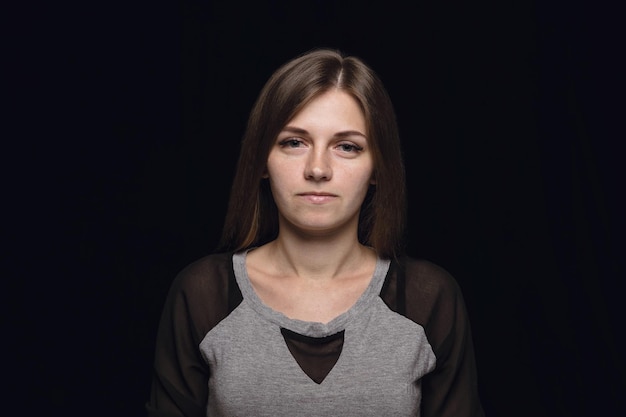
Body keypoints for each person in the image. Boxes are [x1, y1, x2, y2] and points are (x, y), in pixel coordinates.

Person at [146, 48, 485, 417]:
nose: (318, 168)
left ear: (377, 167)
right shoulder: (203, 295)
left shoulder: (429, 300)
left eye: (347, 147)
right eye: (294, 142)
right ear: (262, 159)